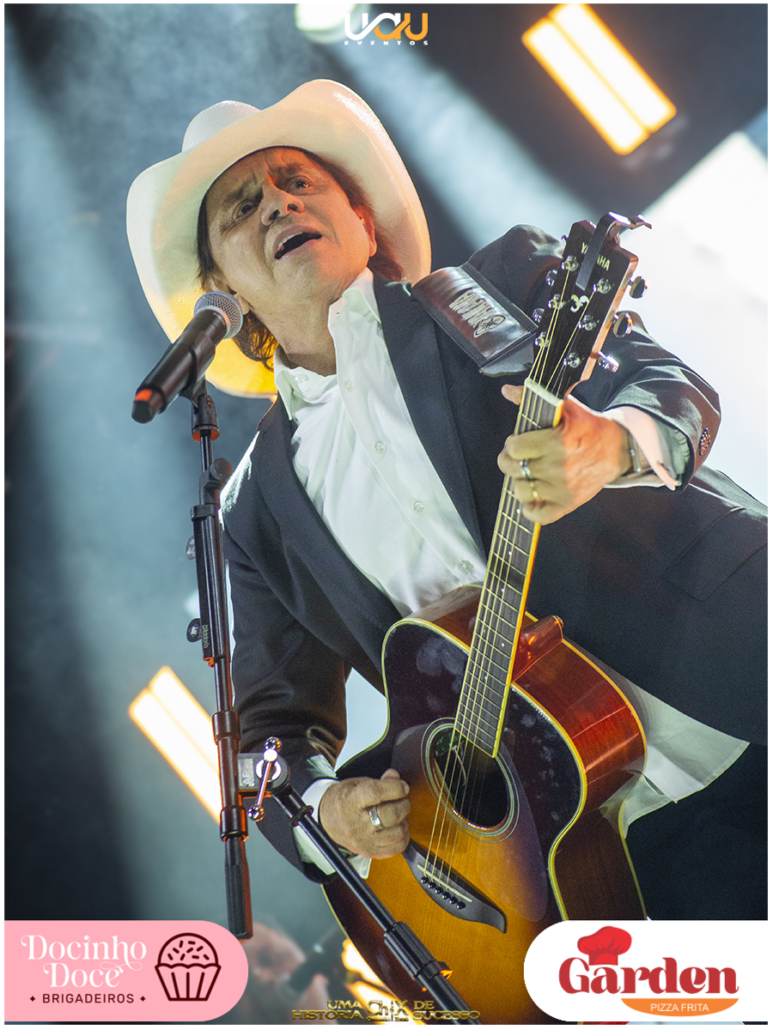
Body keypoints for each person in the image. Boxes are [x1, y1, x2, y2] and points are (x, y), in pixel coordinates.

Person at [127, 81, 766, 921]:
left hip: (742, 661)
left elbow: (664, 380)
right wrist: (324, 810)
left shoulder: (497, 280)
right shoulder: (253, 512)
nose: (279, 203)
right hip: (609, 841)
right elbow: (270, 733)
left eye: (299, 181)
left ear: (362, 219)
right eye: (243, 208)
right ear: (222, 287)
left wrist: (611, 444)